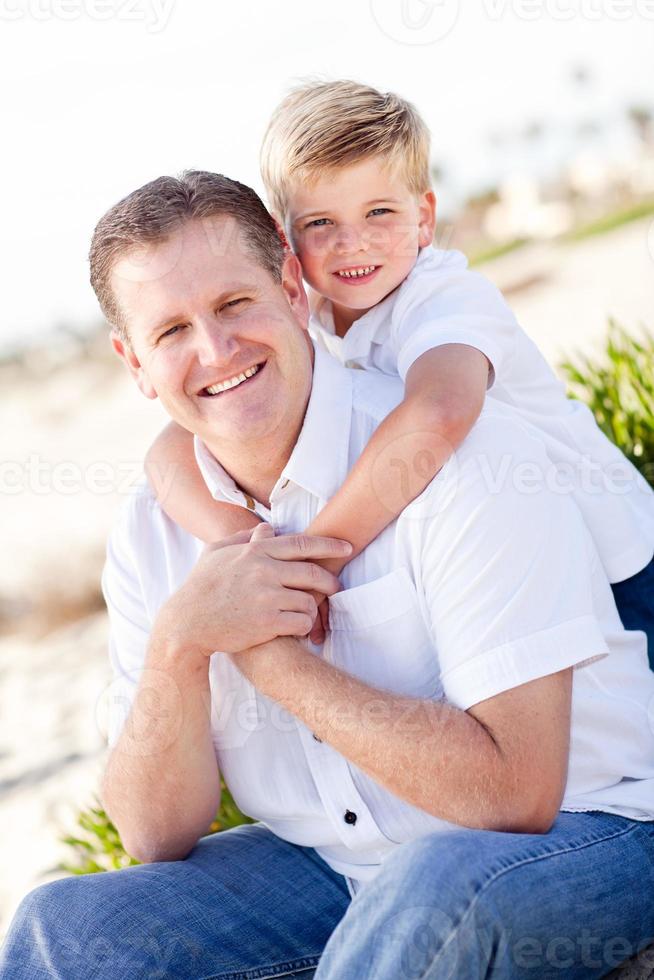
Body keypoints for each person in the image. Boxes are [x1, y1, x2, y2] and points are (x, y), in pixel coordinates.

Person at [2, 170, 654, 979]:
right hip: (337, 866)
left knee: (429, 892)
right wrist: (181, 644)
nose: (215, 350)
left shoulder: (458, 458)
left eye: (235, 303)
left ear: (288, 283)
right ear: (133, 363)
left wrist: (270, 657)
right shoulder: (152, 532)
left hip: (589, 830)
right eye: (171, 331)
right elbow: (154, 834)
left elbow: (516, 793)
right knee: (58, 929)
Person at [144, 79, 654, 657]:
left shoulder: (444, 297)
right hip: (508, 554)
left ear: (424, 218)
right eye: (319, 224)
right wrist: (254, 553)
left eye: (379, 212)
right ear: (283, 240)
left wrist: (313, 558)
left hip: (616, 556)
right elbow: (168, 453)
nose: (351, 244)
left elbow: (439, 411)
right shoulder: (302, 314)